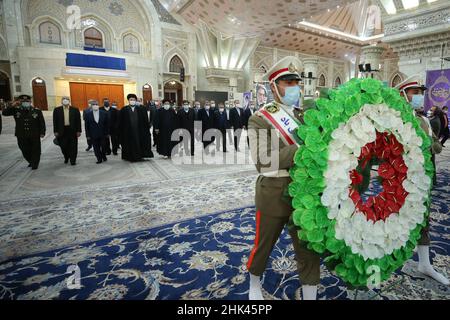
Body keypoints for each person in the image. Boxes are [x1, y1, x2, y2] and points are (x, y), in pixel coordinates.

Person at [247, 56, 321, 301]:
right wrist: (301, 149)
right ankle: (254, 285)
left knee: (308, 249)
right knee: (264, 245)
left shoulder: (305, 115)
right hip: (274, 192)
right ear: (274, 87)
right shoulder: (259, 118)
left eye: (296, 82)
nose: (294, 87)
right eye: (287, 82)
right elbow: (263, 161)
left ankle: (310, 294)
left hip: (305, 193)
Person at [397, 78, 449, 285]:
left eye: (420, 91)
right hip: (399, 180)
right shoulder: (395, 119)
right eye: (414, 91)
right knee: (390, 223)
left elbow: (435, 144)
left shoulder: (424, 120)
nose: (419, 95)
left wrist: (432, 144)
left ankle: (425, 263)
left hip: (420, 178)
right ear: (403, 95)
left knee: (422, 220)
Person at [2, 95, 46, 170]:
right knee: (24, 149)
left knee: (36, 149)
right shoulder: (16, 110)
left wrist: (42, 132)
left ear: (30, 102)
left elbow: (41, 122)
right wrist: (13, 105)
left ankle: (35, 163)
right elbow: (4, 113)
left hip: (34, 134)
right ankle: (31, 160)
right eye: (23, 101)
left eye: (27, 101)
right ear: (20, 102)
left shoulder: (36, 111)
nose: (25, 103)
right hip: (21, 134)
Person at [118, 93, 154, 162]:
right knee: (130, 144)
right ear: (128, 100)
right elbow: (121, 122)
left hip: (139, 131)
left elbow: (145, 121)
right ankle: (130, 157)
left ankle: (139, 156)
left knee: (139, 143)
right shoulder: (124, 109)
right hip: (128, 131)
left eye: (134, 99)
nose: (132, 101)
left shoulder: (141, 109)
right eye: (131, 99)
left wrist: (147, 129)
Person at [53, 97, 82, 166]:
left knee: (73, 146)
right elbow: (55, 121)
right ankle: (66, 156)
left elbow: (78, 121)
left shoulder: (75, 109)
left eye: (67, 99)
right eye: (64, 99)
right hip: (62, 130)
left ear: (69, 101)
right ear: (61, 101)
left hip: (72, 130)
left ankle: (73, 160)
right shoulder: (57, 110)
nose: (65, 101)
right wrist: (55, 131)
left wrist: (79, 131)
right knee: (63, 146)